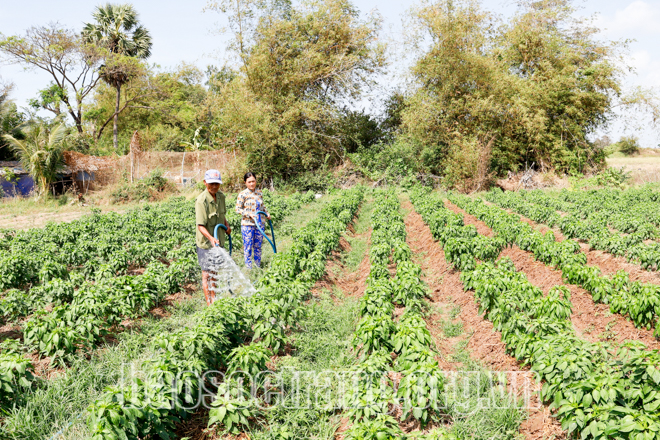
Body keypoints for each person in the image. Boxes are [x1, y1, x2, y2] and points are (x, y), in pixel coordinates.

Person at [196, 169, 231, 305]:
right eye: (211, 183)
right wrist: (211, 238)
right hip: (206, 243)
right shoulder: (201, 201)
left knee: (214, 272)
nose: (214, 186)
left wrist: (226, 226)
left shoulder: (221, 197)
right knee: (206, 274)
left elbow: (222, 215)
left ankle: (214, 300)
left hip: (218, 240)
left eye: (217, 183)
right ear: (205, 183)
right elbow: (200, 225)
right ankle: (209, 304)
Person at [235, 172, 270, 269]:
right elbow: (238, 209)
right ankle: (249, 268)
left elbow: (262, 206)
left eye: (253, 181)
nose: (251, 184)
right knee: (248, 247)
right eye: (249, 182)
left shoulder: (259, 193)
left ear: (256, 181)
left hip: (260, 223)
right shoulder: (243, 194)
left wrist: (267, 213)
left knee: (258, 246)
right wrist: (248, 214)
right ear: (245, 182)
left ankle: (257, 266)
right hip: (247, 224)